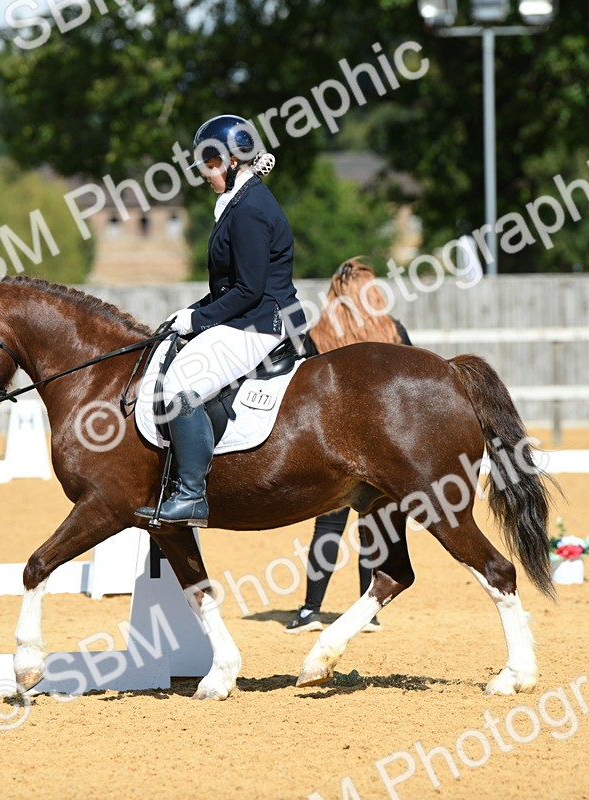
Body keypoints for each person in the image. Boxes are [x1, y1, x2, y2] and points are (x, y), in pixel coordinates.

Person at [135, 114, 306, 527]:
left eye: (209, 166)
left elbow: (248, 289)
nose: (205, 175)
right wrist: (192, 311)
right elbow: (230, 285)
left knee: (182, 381)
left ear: (231, 162)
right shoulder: (239, 203)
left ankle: (192, 494)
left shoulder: (249, 210)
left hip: (263, 322)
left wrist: (199, 319)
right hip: (249, 315)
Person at [285, 258, 414, 634]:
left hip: (334, 444)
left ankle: (310, 610)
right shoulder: (394, 331)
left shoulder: (318, 336)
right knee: (373, 526)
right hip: (384, 446)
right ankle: (367, 609)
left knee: (327, 526)